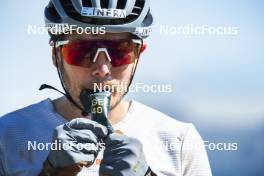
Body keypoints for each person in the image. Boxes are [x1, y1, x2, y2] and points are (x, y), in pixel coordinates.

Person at [0, 0, 212, 175]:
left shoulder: (180, 141)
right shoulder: (7, 134)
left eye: (120, 51)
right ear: (56, 56)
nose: (102, 69)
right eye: (81, 50)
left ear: (138, 56)